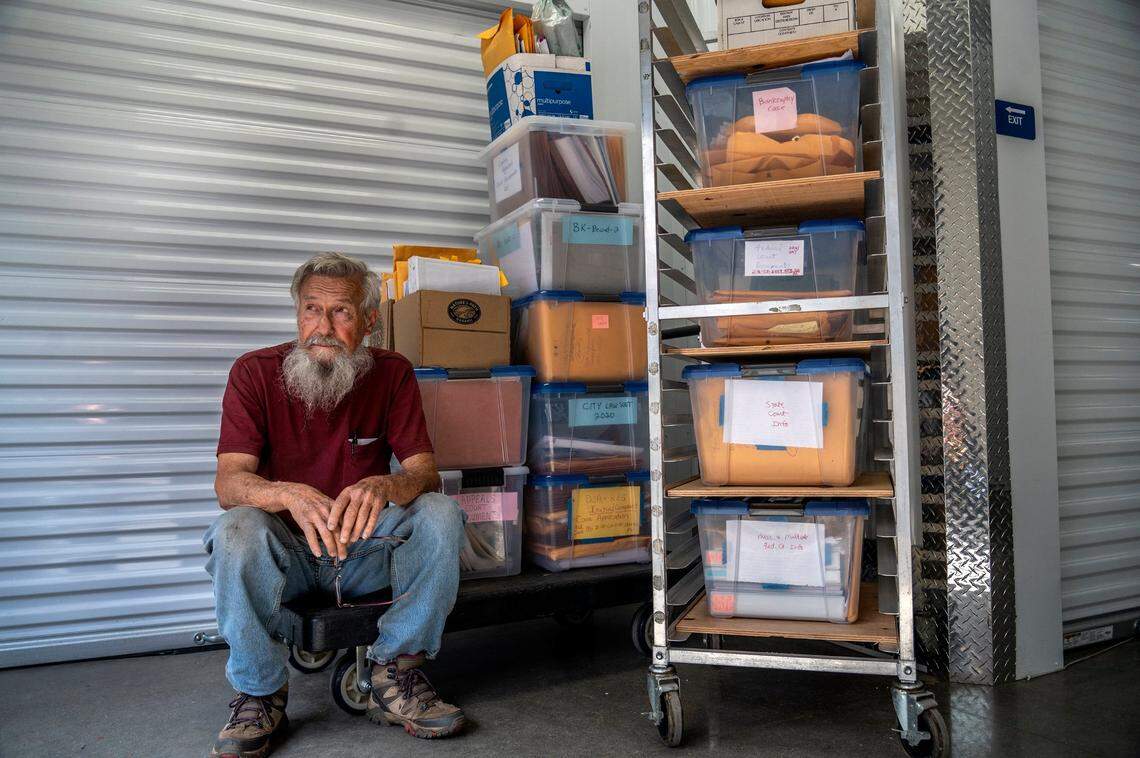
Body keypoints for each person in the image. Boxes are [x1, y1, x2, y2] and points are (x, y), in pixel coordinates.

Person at [202, 252, 466, 758]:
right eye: (310, 310)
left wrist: (385, 486)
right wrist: (283, 492)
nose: (322, 327)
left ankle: (396, 672)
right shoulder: (253, 373)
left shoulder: (392, 374)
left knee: (442, 514)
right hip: (287, 562)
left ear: (369, 320)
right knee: (236, 527)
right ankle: (258, 692)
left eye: (341, 312)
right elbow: (229, 481)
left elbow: (424, 473)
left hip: (361, 553)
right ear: (297, 313)